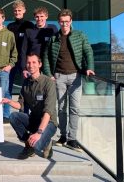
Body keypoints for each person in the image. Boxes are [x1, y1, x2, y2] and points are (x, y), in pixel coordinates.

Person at [43, 9, 95, 152]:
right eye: (62, 21)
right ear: (59, 22)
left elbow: (88, 51)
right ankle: (63, 136)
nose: (64, 24)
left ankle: (72, 139)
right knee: (61, 108)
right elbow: (46, 57)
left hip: (75, 76)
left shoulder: (80, 36)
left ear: (71, 21)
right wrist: (48, 73)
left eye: (67, 21)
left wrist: (89, 67)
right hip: (58, 77)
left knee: (74, 108)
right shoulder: (54, 38)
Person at [1, 52, 57, 159]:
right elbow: (20, 105)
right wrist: (8, 101)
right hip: (34, 119)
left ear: (40, 64)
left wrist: (39, 133)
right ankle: (29, 143)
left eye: (34, 62)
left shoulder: (48, 83)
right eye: (28, 63)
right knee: (13, 116)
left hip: (49, 122)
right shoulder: (26, 83)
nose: (31, 65)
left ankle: (46, 143)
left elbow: (48, 112)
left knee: (35, 146)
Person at [4, 0, 34, 120]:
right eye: (15, 11)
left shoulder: (29, 25)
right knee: (7, 88)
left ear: (24, 11)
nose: (17, 12)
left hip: (25, 62)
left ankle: (25, 112)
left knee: (26, 88)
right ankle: (6, 114)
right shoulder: (10, 26)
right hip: (11, 61)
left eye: (19, 10)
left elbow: (32, 44)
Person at [22, 6, 58, 77]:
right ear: (34, 17)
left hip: (49, 65)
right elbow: (23, 51)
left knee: (48, 87)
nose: (39, 19)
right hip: (33, 65)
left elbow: (57, 47)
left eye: (42, 16)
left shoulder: (52, 29)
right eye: (37, 17)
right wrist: (24, 68)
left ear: (46, 17)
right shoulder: (29, 31)